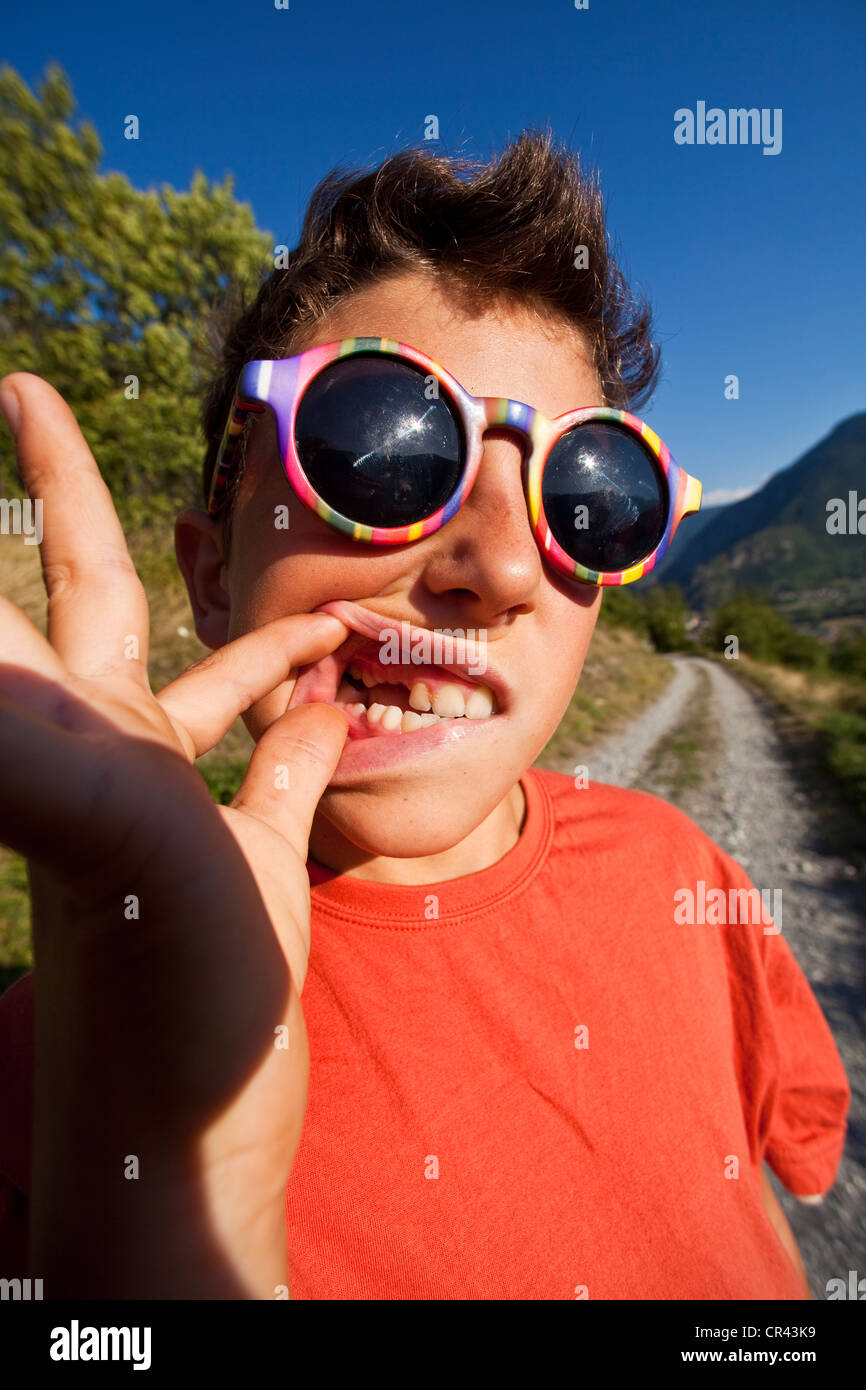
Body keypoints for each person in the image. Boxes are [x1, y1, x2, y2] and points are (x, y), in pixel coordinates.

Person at [0, 131, 849, 1299]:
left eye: (589, 495)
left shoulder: (680, 873)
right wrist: (160, 1182)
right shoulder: (81, 1038)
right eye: (382, 446)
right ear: (206, 576)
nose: (498, 562)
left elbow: (754, 1197)